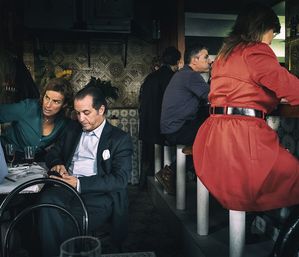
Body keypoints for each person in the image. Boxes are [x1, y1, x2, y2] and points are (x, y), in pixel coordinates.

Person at [193, 3, 299, 213]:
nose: (271, 39)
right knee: (293, 174)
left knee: (256, 183)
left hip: (213, 137)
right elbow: (293, 89)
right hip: (242, 137)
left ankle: (257, 222)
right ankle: (286, 240)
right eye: (272, 33)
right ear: (262, 28)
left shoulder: (225, 54)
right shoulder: (256, 52)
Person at [38, 85, 133, 257]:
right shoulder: (72, 129)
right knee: (46, 203)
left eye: (86, 113)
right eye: (77, 112)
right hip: (66, 187)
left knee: (69, 221)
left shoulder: (120, 139)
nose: (81, 118)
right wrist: (57, 163)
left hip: (99, 194)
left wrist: (79, 183)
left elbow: (120, 179)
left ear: (101, 109)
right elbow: (53, 153)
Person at [157, 45, 212, 194]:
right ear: (194, 60)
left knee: (210, 135)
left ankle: (189, 155)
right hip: (177, 130)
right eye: (205, 57)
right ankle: (171, 171)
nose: (209, 61)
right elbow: (212, 96)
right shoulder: (191, 75)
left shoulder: (183, 74)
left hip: (171, 129)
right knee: (215, 136)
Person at [0, 77, 74, 162]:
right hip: (8, 158)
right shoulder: (28, 107)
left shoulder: (64, 122)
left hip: (34, 162)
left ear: (64, 104)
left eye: (56, 101)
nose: (48, 105)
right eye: (47, 97)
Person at [138, 46, 181, 188]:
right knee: (163, 155)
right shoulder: (171, 77)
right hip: (159, 123)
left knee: (147, 156)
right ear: (177, 61)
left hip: (146, 121)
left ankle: (143, 184)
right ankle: (164, 184)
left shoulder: (151, 76)